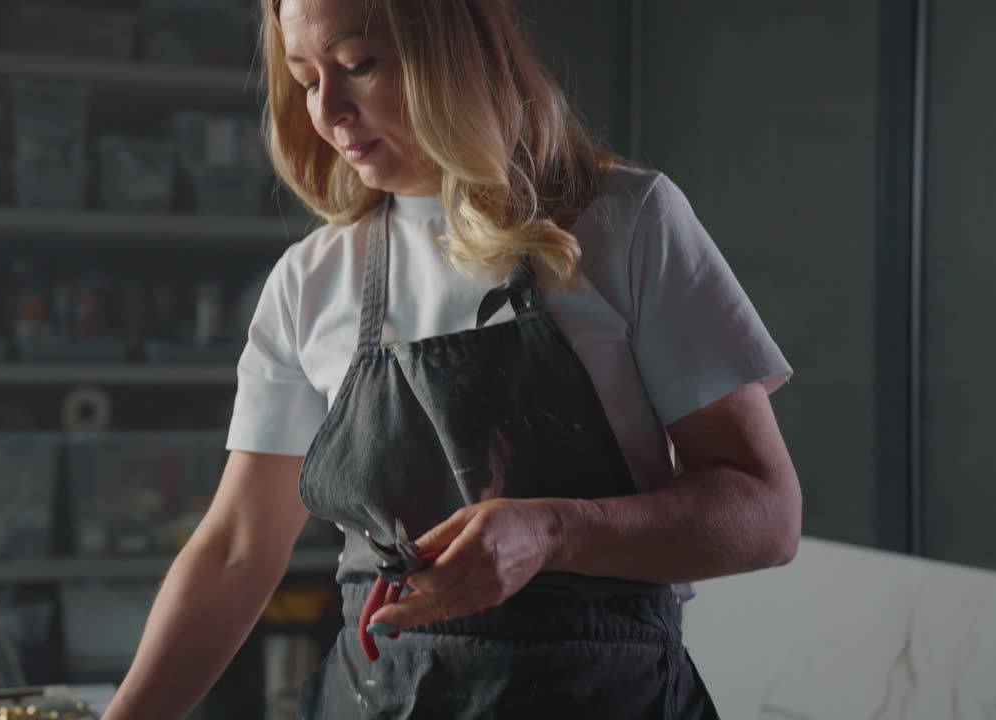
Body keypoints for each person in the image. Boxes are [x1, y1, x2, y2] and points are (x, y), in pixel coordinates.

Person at [104, 0, 801, 717]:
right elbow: (236, 553)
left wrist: (554, 532)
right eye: (306, 79)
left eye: (358, 65)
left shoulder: (627, 222)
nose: (329, 110)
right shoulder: (310, 281)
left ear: (455, 53)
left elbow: (767, 513)